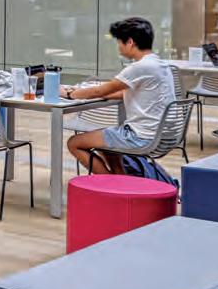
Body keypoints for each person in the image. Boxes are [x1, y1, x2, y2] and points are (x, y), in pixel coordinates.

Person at [61, 17, 176, 175]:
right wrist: (97, 94)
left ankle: (111, 184)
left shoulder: (140, 67)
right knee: (106, 144)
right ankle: (120, 179)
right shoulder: (160, 64)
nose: (118, 47)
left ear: (130, 42)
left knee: (74, 143)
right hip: (163, 135)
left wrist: (69, 93)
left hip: (141, 137)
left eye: (119, 42)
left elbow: (99, 91)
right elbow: (123, 92)